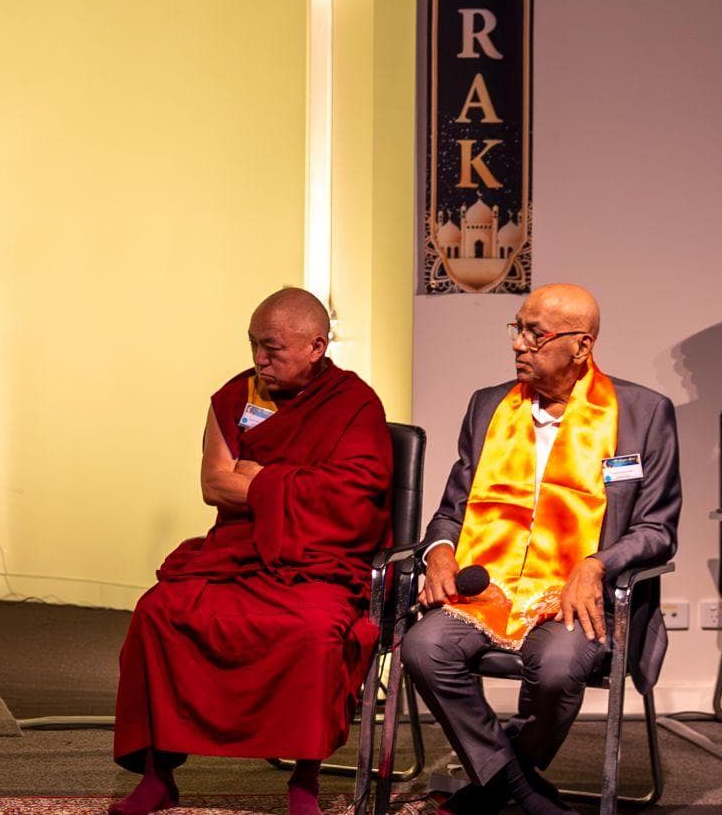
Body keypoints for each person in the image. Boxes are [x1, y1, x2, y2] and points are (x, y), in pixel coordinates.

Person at [111, 287, 392, 815]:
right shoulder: (238, 396)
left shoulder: (355, 405)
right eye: (253, 346)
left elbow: (355, 497)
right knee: (157, 613)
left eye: (272, 349)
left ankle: (304, 781)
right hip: (238, 553)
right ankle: (158, 776)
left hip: (321, 563)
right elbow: (214, 486)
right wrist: (287, 484)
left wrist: (261, 479)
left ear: (316, 346)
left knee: (313, 632)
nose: (259, 360)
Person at [401, 284, 680, 815]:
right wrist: (439, 550)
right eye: (518, 329)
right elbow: (451, 510)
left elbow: (658, 530)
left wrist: (597, 564)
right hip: (492, 586)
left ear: (581, 346)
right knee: (422, 649)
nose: (519, 345)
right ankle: (521, 790)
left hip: (576, 596)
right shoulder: (489, 406)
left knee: (556, 668)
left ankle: (493, 783)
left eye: (536, 333)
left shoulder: (642, 412)